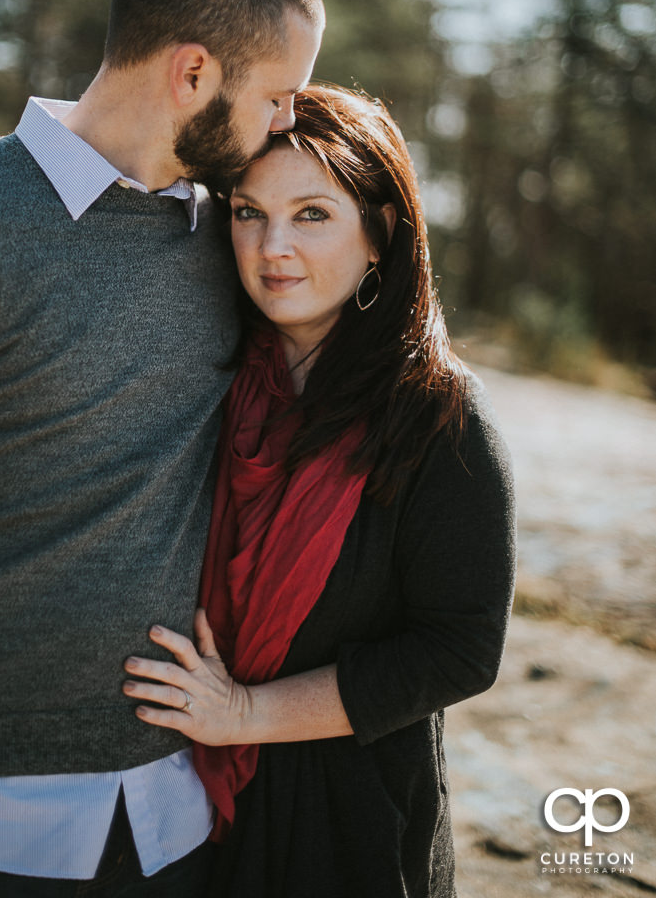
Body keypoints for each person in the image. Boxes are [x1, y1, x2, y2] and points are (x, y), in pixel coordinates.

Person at [0, 0, 324, 897]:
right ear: (194, 74)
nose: (290, 121)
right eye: (278, 94)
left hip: (171, 823)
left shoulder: (235, 243)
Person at [115, 84, 517, 897]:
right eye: (247, 212)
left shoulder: (436, 414)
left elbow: (460, 650)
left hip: (345, 822)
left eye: (311, 214)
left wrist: (246, 715)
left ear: (381, 234)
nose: (272, 248)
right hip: (180, 802)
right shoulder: (208, 372)